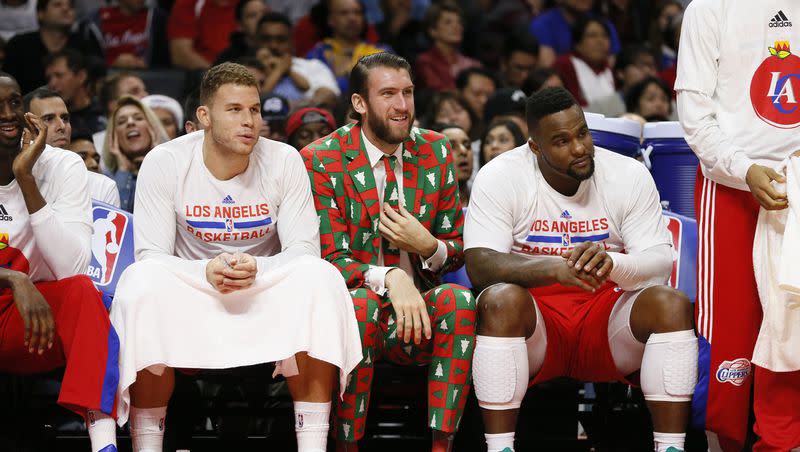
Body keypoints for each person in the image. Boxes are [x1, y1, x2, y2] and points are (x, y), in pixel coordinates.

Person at [108, 62, 361, 452]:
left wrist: (259, 267)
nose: (249, 121)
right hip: (193, 293)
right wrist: (204, 270)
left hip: (263, 291)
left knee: (319, 276)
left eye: (255, 110)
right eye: (235, 110)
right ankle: (146, 445)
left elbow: (303, 250)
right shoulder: (165, 161)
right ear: (204, 116)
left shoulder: (284, 159)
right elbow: (151, 256)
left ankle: (313, 444)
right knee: (140, 283)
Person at [464, 87, 697, 452]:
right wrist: (555, 269)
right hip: (537, 325)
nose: (579, 148)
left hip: (606, 318)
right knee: (498, 300)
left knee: (671, 303)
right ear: (535, 147)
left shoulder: (627, 175)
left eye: (582, 133)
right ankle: (499, 448)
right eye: (561, 141)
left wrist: (612, 263)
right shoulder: (501, 176)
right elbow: (480, 265)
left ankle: (670, 446)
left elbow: (659, 263)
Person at [301, 52, 476, 452]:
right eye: (389, 94)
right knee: (360, 305)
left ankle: (442, 446)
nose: (402, 106)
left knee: (460, 300)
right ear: (360, 104)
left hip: (419, 316)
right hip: (354, 315)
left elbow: (458, 249)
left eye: (408, 93)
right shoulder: (321, 159)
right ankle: (347, 446)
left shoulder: (436, 150)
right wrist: (390, 277)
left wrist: (428, 246)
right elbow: (326, 258)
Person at [676, 2, 800, 450]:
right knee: (731, 326)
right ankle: (721, 442)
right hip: (731, 185)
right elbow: (693, 113)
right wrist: (745, 169)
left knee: (794, 325)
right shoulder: (709, 8)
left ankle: (783, 441)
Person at [0, 71, 119, 452]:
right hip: (19, 293)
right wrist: (14, 280)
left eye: (15, 102)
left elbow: (72, 267)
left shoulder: (62, 166)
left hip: (28, 321)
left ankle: (103, 440)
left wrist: (26, 177)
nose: (7, 113)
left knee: (84, 292)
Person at [23, 87, 120, 206]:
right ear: (26, 129)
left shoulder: (102, 187)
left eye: (65, 118)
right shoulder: (10, 181)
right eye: (49, 119)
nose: (62, 126)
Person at [3, 0, 102, 93]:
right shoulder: (18, 46)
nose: (66, 9)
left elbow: (97, 83)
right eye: (57, 5)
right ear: (41, 13)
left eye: (70, 6)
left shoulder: (85, 44)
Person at [254, 12, 340, 107]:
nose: (273, 46)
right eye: (266, 39)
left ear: (291, 41)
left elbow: (329, 96)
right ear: (256, 40)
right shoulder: (245, 70)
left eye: (281, 39)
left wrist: (290, 107)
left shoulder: (313, 66)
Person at [305, 0, 390, 94]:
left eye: (357, 13)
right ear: (330, 20)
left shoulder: (381, 52)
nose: (352, 18)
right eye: (344, 13)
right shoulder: (318, 54)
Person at [102, 96, 168, 212]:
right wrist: (123, 171)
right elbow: (115, 220)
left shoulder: (173, 170)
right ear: (113, 136)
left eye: (138, 118)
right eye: (121, 122)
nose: (130, 123)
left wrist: (155, 161)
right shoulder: (105, 180)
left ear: (153, 129)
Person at [528, 0, 621, 68]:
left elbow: (609, 69)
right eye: (592, 35)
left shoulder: (604, 24)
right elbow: (547, 71)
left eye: (603, 36)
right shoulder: (542, 24)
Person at [81, 0, 169, 68]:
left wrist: (149, 67)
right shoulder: (95, 21)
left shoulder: (158, 19)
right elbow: (89, 63)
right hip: (109, 80)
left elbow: (166, 64)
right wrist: (113, 65)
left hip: (149, 79)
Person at [414, 1, 480, 91]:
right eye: (448, 22)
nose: (456, 26)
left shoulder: (473, 65)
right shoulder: (425, 62)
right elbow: (439, 93)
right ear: (433, 30)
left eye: (459, 22)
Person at [553, 16, 615, 107]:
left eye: (605, 36)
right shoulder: (564, 64)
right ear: (577, 43)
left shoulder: (608, 67)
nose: (600, 41)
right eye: (592, 36)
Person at [585, 44, 659, 118]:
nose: (647, 71)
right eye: (640, 65)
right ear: (621, 73)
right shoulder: (600, 107)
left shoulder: (664, 104)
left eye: (651, 65)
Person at [44, 48, 105, 134]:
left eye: (59, 75)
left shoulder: (106, 112)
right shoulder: (49, 121)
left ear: (81, 76)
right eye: (49, 78)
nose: (52, 83)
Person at [166, 0, 238, 70]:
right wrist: (218, 76)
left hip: (243, 72)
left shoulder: (247, 4)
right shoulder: (188, 3)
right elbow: (180, 54)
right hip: (202, 76)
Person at [437, 123, 473, 205]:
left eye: (467, 145)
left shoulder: (484, 196)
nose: (463, 151)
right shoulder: (424, 204)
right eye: (451, 146)